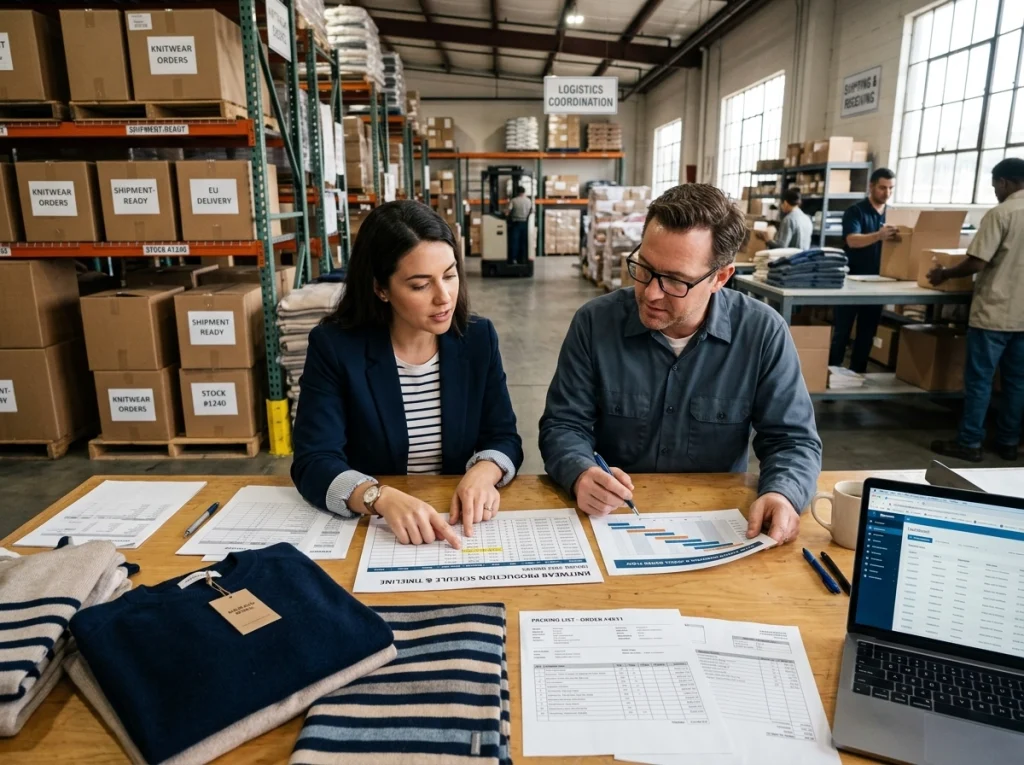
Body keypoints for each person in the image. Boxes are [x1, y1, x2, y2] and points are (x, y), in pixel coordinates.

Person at [539, 184, 822, 544]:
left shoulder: (762, 333)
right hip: (612, 521)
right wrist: (581, 472)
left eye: (675, 280)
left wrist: (783, 493)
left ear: (720, 277)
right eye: (644, 268)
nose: (652, 292)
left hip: (718, 527)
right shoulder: (595, 323)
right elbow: (563, 424)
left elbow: (792, 439)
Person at [291, 200, 524, 546]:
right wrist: (376, 497)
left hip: (458, 523)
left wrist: (483, 473)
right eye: (420, 285)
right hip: (377, 530)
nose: (444, 297)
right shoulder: (335, 347)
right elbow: (313, 460)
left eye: (449, 275)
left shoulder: (477, 338)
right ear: (380, 288)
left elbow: (503, 436)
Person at [928, 157, 1024, 463]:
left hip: (994, 313)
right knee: (1016, 382)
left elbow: (977, 261)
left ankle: (970, 442)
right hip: (1023, 318)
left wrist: (944, 274)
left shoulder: (1001, 213)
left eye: (996, 184)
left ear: (1005, 182)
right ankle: (1008, 442)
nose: (995, 190)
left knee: (980, 380)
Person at [828, 168, 899, 372]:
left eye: (891, 188)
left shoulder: (892, 214)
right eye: (882, 187)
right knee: (842, 332)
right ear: (871, 186)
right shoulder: (855, 211)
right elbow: (852, 240)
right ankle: (833, 376)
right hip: (850, 282)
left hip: (879, 283)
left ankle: (857, 375)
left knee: (867, 333)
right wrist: (879, 235)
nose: (886, 193)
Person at [506, 185, 532, 264]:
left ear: (517, 192)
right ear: (524, 192)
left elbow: (508, 212)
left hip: (516, 223)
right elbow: (531, 211)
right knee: (523, 242)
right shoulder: (528, 201)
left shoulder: (514, 200)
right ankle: (523, 259)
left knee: (515, 242)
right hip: (525, 223)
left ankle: (514, 259)